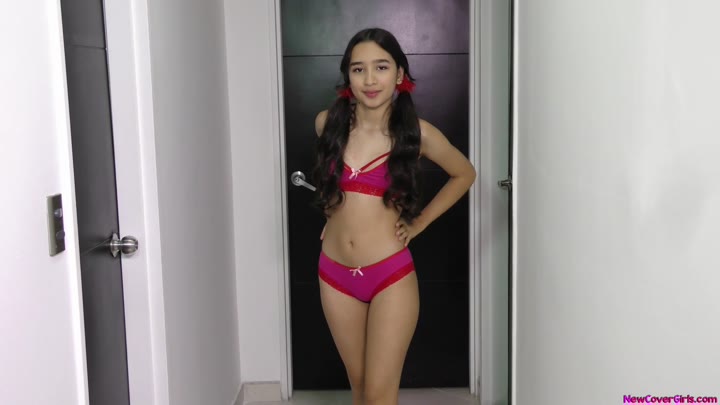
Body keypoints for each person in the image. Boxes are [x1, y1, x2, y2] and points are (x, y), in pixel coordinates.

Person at [311, 28, 476, 405]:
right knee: (359, 388)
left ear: (400, 73)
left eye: (381, 67)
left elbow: (464, 173)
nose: (370, 80)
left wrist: (420, 222)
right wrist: (334, 214)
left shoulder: (418, 134)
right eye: (359, 69)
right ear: (347, 76)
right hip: (334, 274)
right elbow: (334, 184)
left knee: (379, 396)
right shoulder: (326, 124)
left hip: (389, 276)